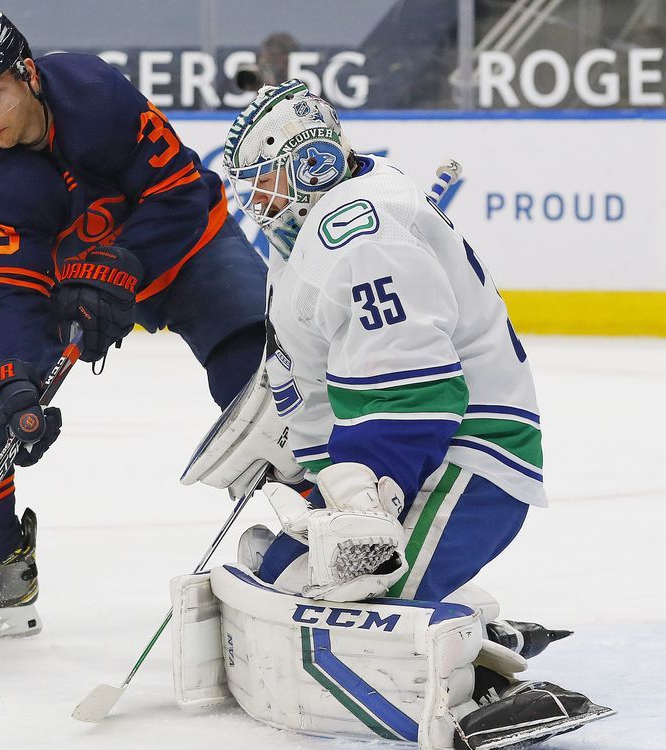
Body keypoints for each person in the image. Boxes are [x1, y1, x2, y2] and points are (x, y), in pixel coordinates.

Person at [184, 78, 612, 747]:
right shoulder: (307, 239)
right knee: (287, 573)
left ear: (312, 164)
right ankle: (466, 626)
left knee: (346, 600)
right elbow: (318, 383)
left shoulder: (361, 236)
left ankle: (482, 682)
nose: (255, 202)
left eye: (264, 182)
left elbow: (413, 395)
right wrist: (305, 468)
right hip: (408, 457)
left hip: (469, 461)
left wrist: (362, 500)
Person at [0, 10, 268, 641]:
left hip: (185, 252)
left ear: (28, 76)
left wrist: (125, 265)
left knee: (260, 373)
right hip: (72, 282)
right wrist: (17, 378)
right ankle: (1, 571)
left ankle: (334, 522)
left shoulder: (96, 94)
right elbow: (13, 289)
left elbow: (180, 192)